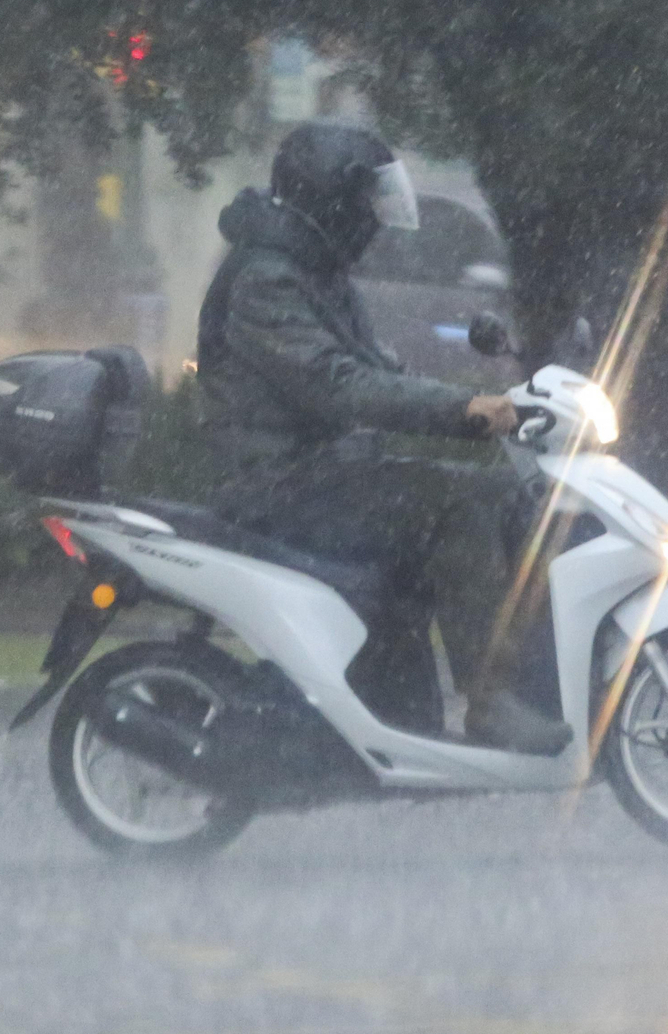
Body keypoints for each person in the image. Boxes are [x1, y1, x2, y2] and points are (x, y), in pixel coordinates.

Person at [196, 121, 573, 756]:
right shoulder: (268, 279)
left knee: (507, 493)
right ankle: (490, 703)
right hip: (278, 486)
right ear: (333, 203)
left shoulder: (314, 270)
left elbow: (379, 371)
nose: (375, 219)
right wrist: (464, 409)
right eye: (367, 203)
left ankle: (522, 690)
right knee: (454, 502)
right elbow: (339, 386)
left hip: (326, 472)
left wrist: (495, 399)